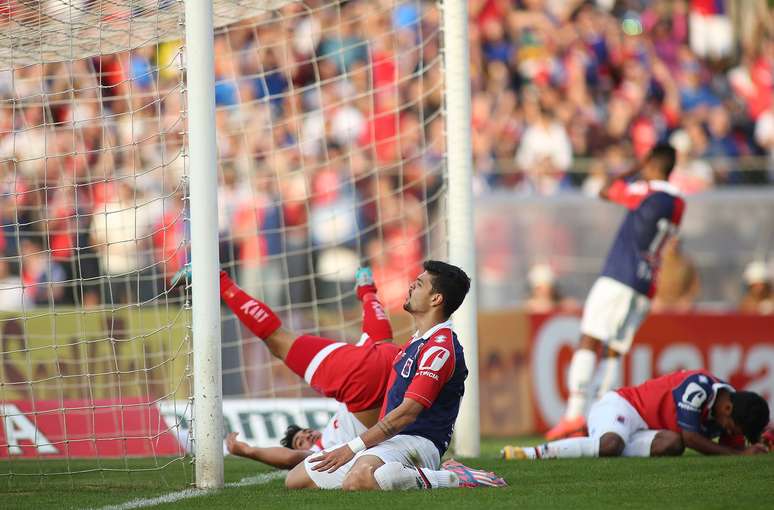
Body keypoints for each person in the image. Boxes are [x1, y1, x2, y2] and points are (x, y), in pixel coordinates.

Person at [283, 260, 504, 490]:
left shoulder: (440, 348)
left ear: (436, 299)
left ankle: (454, 478)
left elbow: (407, 414)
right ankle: (390, 472)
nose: (410, 286)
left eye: (418, 285)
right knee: (297, 479)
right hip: (390, 440)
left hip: (419, 442)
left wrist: (352, 447)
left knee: (359, 480)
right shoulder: (416, 341)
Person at [546, 144, 685, 440]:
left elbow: (604, 190)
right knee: (615, 350)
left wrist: (635, 167)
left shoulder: (648, 192)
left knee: (590, 338)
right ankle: (601, 414)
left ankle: (573, 415)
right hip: (647, 286)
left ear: (651, 163)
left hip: (620, 277)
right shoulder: (678, 203)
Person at [502, 369, 770, 459]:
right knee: (610, 445)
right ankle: (528, 453)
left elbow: (734, 449)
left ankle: (587, 440)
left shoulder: (730, 410)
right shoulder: (699, 385)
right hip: (623, 407)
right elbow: (691, 437)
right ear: (727, 409)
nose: (732, 433)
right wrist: (738, 453)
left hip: (646, 430)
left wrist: (759, 444)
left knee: (672, 445)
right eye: (734, 428)